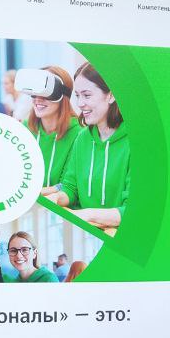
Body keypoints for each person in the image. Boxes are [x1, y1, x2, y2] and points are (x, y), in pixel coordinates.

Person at [42, 62, 129, 229]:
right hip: (84, 233)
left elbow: (132, 209)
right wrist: (56, 198)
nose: (80, 103)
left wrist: (87, 214)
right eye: (77, 95)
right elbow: (71, 188)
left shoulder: (133, 144)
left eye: (87, 95)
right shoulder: (83, 138)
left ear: (111, 95)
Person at [20, 65, 82, 188]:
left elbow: (66, 187)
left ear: (63, 95)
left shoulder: (79, 134)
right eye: (34, 92)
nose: (38, 99)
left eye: (47, 92)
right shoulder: (25, 129)